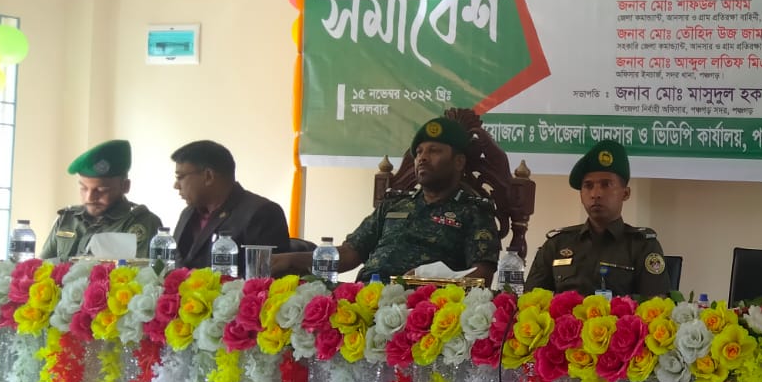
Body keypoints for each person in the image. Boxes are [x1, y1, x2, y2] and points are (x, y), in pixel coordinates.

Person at [273, 116, 500, 282]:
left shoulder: (474, 212)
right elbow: (350, 254)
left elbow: (481, 275)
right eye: (419, 152)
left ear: (458, 162)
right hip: (365, 298)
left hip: (420, 310)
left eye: (434, 151)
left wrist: (428, 282)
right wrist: (290, 260)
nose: (422, 158)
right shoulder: (394, 206)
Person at [524, 139, 668, 298]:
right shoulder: (557, 244)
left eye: (606, 185)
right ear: (581, 194)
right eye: (588, 186)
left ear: (625, 193)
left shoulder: (642, 246)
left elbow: (655, 305)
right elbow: (530, 301)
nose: (595, 194)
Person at [169, 141, 291, 274]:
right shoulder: (188, 213)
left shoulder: (262, 213)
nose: (176, 185)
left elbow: (264, 278)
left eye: (180, 177)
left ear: (208, 176)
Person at [40, 140, 164, 260]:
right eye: (84, 188)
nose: (89, 198)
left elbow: (140, 272)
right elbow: (42, 267)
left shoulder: (140, 223)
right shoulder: (67, 219)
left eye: (101, 190)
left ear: (125, 186)